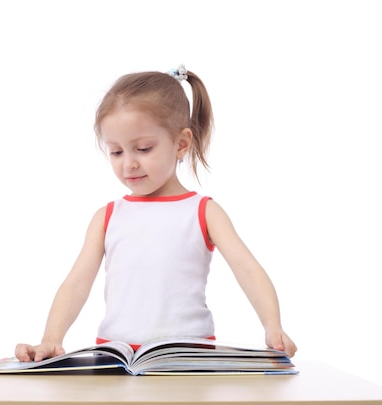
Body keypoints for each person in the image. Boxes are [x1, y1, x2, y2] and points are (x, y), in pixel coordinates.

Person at [15, 64, 297, 362]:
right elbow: (76, 284)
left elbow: (247, 269)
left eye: (144, 149)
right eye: (116, 152)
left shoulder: (203, 211)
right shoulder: (107, 216)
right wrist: (51, 339)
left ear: (181, 143)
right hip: (116, 355)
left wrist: (273, 326)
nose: (129, 164)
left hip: (187, 355)